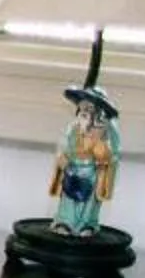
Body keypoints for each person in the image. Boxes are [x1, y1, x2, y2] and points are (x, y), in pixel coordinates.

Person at [49, 87, 120, 237]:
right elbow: (65, 145)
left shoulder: (104, 131)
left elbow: (110, 154)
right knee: (68, 198)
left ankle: (87, 224)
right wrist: (63, 157)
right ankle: (65, 222)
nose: (84, 111)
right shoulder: (73, 128)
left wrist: (97, 140)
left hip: (92, 171)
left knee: (89, 201)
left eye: (89, 108)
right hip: (73, 168)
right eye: (82, 107)